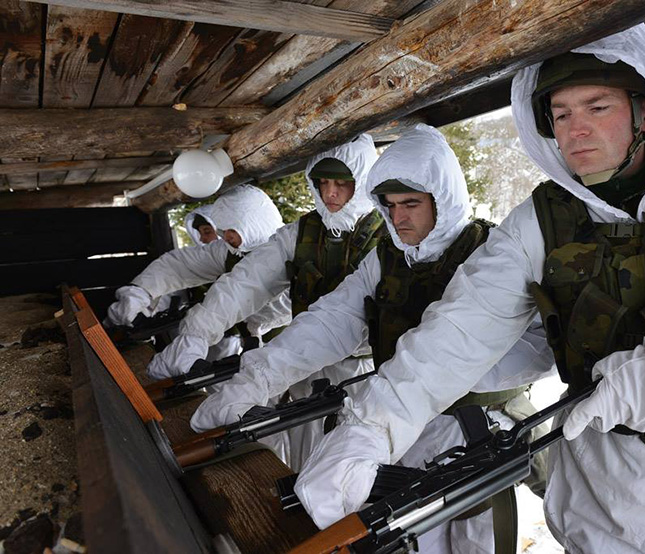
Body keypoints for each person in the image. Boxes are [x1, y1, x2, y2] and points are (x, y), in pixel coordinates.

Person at [293, 24, 645, 554]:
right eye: (562, 114)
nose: (577, 132)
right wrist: (368, 429)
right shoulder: (542, 221)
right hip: (594, 485)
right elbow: (457, 331)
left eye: (598, 108)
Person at [191, 124, 555, 553]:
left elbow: (540, 348)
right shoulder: (387, 259)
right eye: (389, 204)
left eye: (411, 203)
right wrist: (257, 378)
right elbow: (331, 320)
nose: (398, 218)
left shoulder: (493, 251)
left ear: (443, 198)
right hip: (398, 424)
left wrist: (439, 378)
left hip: (473, 432)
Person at [146, 135, 386, 467]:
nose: (330, 193)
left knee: (348, 467)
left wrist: (259, 377)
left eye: (342, 183)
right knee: (298, 460)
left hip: (360, 372)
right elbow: (248, 280)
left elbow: (346, 320)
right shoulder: (303, 232)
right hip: (303, 370)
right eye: (323, 181)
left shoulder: (388, 239)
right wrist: (198, 331)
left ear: (361, 183)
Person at [104, 185, 290, 362]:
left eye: (231, 230)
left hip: (268, 347)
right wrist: (140, 293)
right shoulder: (230, 251)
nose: (225, 237)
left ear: (250, 223)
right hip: (217, 334)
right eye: (222, 231)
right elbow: (180, 266)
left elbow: (265, 310)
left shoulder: (291, 259)